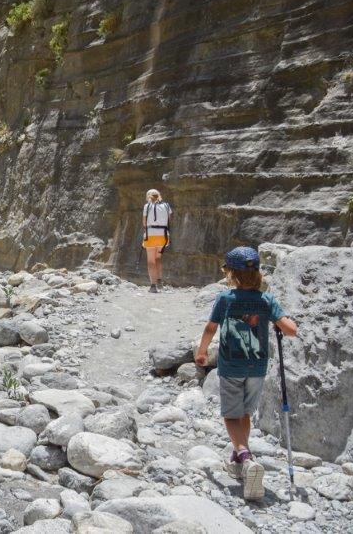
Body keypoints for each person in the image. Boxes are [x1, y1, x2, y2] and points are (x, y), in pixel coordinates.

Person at [194, 246, 298, 501]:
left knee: (230, 415)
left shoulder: (226, 299)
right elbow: (291, 330)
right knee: (245, 414)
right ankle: (239, 460)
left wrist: (202, 351)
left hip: (231, 366)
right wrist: (278, 321)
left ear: (231, 274)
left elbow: (210, 327)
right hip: (258, 368)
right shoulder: (267, 300)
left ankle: (246, 458)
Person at [141, 189, 172, 292]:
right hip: (163, 235)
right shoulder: (167, 206)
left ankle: (153, 286)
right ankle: (159, 281)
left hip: (151, 235)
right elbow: (169, 220)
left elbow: (144, 223)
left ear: (148, 196)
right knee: (158, 258)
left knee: (151, 261)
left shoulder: (147, 206)